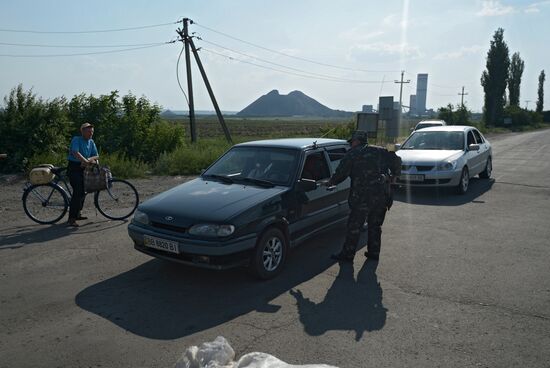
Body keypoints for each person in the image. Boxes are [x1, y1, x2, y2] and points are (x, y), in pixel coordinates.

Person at [324, 130, 401, 261]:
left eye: (352, 142)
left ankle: (347, 255)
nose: (351, 144)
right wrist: (394, 176)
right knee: (375, 226)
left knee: (354, 227)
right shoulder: (381, 151)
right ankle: (374, 253)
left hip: (361, 198)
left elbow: (341, 173)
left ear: (356, 141)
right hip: (381, 196)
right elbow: (397, 160)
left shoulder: (353, 154)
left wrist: (331, 182)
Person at [66, 123, 99, 227]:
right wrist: (85, 161)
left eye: (92, 132)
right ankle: (71, 218)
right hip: (74, 168)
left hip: (84, 168)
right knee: (78, 191)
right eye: (89, 131)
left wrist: (89, 160)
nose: (91, 134)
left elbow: (96, 155)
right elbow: (75, 152)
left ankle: (78, 213)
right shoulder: (77, 139)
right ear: (83, 131)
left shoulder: (91, 142)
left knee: (84, 191)